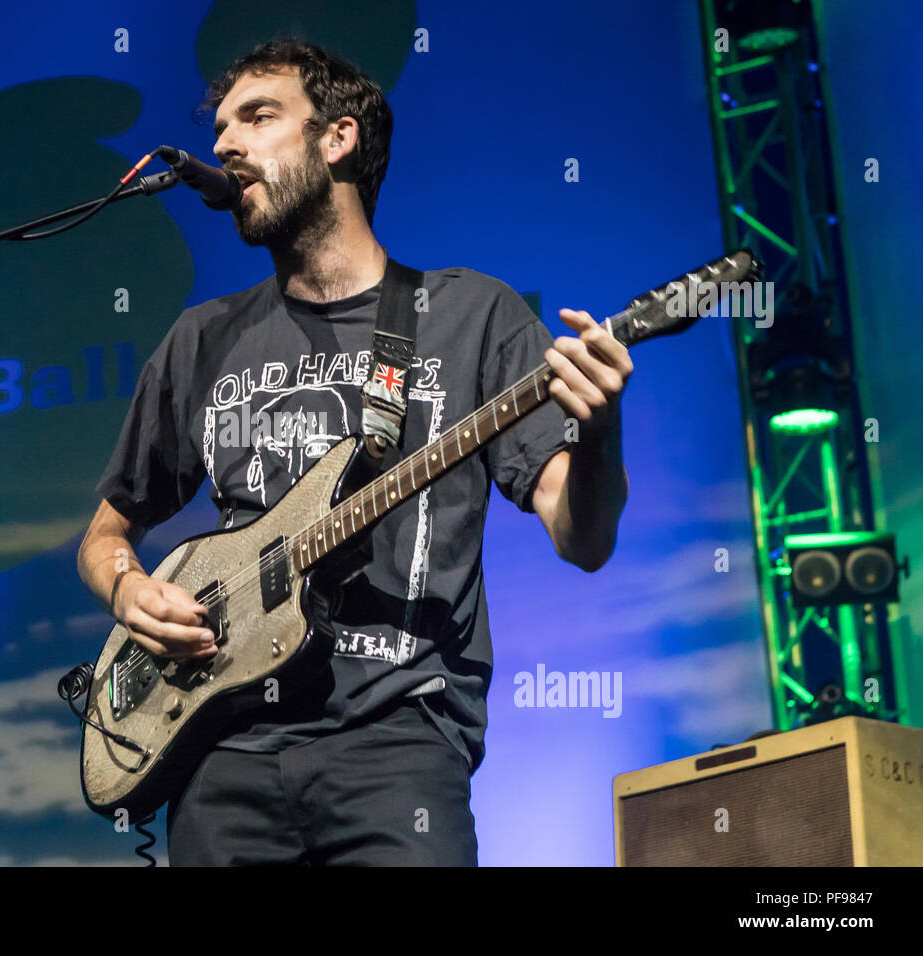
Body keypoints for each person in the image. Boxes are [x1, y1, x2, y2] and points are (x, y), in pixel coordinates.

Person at [77, 37, 631, 866]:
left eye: (258, 117)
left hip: (396, 745)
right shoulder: (202, 338)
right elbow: (104, 536)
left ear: (339, 138)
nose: (227, 145)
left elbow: (581, 539)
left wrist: (599, 431)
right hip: (220, 754)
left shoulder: (472, 314)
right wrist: (127, 592)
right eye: (222, 126)